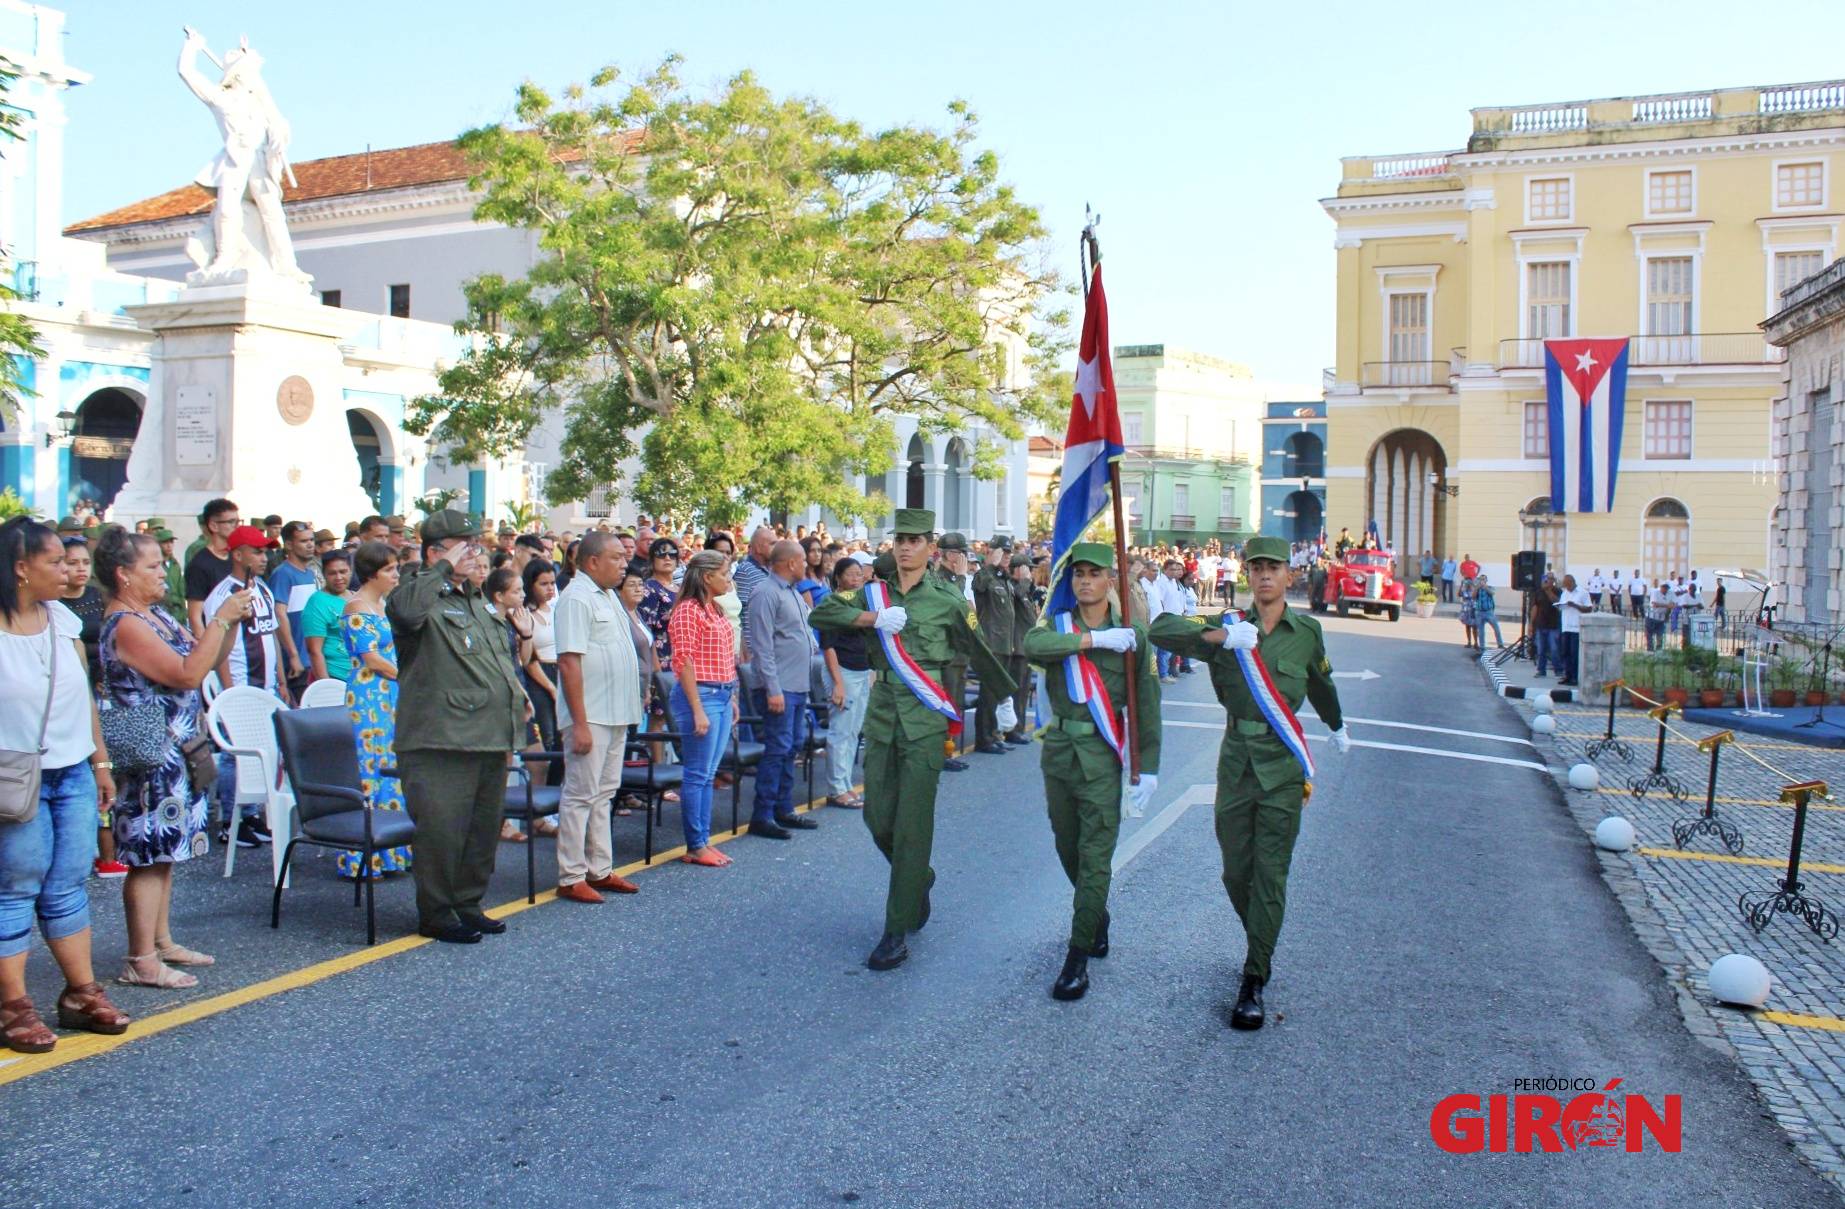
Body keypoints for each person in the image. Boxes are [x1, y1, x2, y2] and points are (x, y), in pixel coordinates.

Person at [1148, 535, 1350, 1030]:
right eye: (1256, 567)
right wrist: (1219, 640)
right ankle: (1261, 932)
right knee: (1237, 872)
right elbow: (1161, 630)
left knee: (1271, 871)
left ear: (1288, 576)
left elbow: (1321, 681)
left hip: (1282, 765)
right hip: (1236, 760)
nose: (1263, 575)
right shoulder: (1228, 625)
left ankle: (1254, 976)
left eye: (1273, 568)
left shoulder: (1306, 631)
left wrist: (1337, 723)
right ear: (1247, 575)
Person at [810, 508, 1016, 972]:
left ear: (931, 548)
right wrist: (870, 619)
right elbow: (821, 613)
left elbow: (977, 648)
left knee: (912, 823)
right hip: (882, 713)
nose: (905, 547)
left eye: (915, 540)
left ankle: (895, 929)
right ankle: (918, 877)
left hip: (924, 719)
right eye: (900, 539)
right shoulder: (872, 592)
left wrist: (1005, 698)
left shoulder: (947, 599)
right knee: (877, 816)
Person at [95, 527, 248, 990]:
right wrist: (220, 617)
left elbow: (206, 652)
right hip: (150, 753)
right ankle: (140, 959)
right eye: (153, 566)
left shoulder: (155, 614)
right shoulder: (126, 624)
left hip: (176, 750)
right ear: (123, 574)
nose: (164, 572)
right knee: (147, 853)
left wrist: (232, 620)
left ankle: (160, 941)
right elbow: (187, 674)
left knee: (165, 852)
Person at [0, 519, 130, 1053]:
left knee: (69, 882)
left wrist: (100, 764)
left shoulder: (64, 621)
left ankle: (80, 993)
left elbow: (82, 699)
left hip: (73, 771)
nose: (69, 569)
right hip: (14, 778)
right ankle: (13, 1006)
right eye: (55, 561)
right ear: (20, 569)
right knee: (16, 887)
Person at [1021, 543, 1162, 1001]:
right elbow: (1032, 646)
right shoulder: (1060, 628)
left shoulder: (1132, 636)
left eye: (1094, 573)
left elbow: (1147, 706)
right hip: (1059, 752)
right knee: (1068, 849)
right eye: (1078, 573)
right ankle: (1095, 914)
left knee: (1095, 855)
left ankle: (1076, 958)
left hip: (1102, 756)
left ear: (1109, 581)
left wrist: (1149, 769)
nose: (1084, 581)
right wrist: (1092, 640)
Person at [388, 511, 528, 945]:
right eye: (463, 545)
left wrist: (515, 700)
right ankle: (436, 911)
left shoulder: (476, 599)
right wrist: (442, 569)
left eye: (475, 543)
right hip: (441, 738)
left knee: (481, 830)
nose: (475, 551)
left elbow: (495, 658)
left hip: (487, 734)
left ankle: (467, 903)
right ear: (435, 551)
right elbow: (408, 614)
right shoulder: (415, 594)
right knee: (442, 831)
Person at [552, 531, 643, 902]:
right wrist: (580, 723)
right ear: (592, 562)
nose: (625, 564)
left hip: (615, 712)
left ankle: (599, 868)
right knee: (580, 795)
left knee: (604, 793)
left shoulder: (608, 596)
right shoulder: (576, 598)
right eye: (617, 557)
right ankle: (571, 874)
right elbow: (569, 662)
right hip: (591, 715)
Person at [204, 524, 297, 847]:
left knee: (269, 750)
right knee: (235, 755)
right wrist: (229, 692)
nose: (264, 557)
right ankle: (231, 820)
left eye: (266, 551)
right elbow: (217, 648)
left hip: (267, 686)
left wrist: (282, 680)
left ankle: (253, 814)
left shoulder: (263, 590)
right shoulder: (225, 595)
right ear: (238, 554)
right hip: (241, 685)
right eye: (257, 551)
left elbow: (270, 637)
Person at [336, 543, 411, 880]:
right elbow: (373, 659)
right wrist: (409, 676)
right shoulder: (357, 608)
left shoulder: (381, 606)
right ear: (371, 573)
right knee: (371, 765)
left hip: (391, 694)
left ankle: (391, 853)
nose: (396, 575)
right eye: (389, 570)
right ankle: (361, 856)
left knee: (391, 766)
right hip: (369, 695)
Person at [666, 549, 740, 868]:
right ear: (707, 576)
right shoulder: (688, 610)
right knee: (697, 773)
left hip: (720, 694)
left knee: (708, 774)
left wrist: (732, 696)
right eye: (724, 573)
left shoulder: (716, 609)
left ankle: (703, 841)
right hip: (701, 696)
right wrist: (697, 708)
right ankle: (696, 844)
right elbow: (682, 661)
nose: (729, 579)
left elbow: (726, 656)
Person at [744, 540, 822, 840]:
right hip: (779, 686)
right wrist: (772, 688)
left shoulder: (792, 593)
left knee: (791, 746)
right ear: (790, 563)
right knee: (777, 749)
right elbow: (761, 645)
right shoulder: (765, 593)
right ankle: (762, 815)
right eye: (803, 560)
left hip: (797, 684)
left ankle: (783, 807)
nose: (806, 565)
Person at [820, 556, 872, 808]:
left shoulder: (861, 604)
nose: (855, 579)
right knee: (840, 730)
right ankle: (836, 787)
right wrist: (837, 682)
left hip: (862, 670)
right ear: (838, 577)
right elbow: (828, 646)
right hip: (842, 670)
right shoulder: (833, 603)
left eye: (859, 574)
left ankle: (846, 782)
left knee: (853, 731)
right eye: (850, 574)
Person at [971, 538, 1020, 753]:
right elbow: (977, 585)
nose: (1008, 556)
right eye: (1004, 552)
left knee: (998, 693)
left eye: (1009, 552)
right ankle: (984, 738)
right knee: (989, 693)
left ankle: (994, 733)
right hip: (991, 643)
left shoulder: (1004, 580)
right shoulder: (985, 575)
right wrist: (990, 562)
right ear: (992, 552)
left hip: (1004, 642)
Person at [268, 521, 322, 699]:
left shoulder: (310, 573)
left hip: (312, 657)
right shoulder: (283, 573)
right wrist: (293, 655)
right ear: (289, 544)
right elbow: (279, 614)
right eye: (303, 541)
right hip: (297, 661)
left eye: (312, 540)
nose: (310, 545)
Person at [522, 559, 562, 785]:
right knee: (546, 736)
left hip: (560, 670)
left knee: (562, 738)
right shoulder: (524, 613)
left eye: (552, 583)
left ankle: (555, 795)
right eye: (543, 584)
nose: (549, 589)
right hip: (539, 675)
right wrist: (550, 686)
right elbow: (528, 659)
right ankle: (540, 797)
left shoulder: (556, 609)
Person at [183, 497, 239, 639]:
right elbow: (195, 616)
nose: (236, 526)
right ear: (214, 526)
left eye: (238, 522)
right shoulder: (199, 565)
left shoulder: (237, 556)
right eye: (231, 522)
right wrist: (206, 651)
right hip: (215, 640)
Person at [301, 550, 353, 683]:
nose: (338, 577)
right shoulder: (317, 602)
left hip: (360, 676)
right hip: (335, 677)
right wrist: (326, 687)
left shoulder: (356, 597)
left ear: (351, 571)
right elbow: (314, 651)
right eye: (332, 573)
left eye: (343, 571)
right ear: (324, 574)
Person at [1005, 551, 1041, 737]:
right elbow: (1017, 595)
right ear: (1018, 570)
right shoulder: (1011, 587)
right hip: (1016, 647)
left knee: (1023, 690)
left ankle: (1017, 728)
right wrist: (1024, 580)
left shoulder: (1024, 590)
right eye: (1028, 569)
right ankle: (1012, 729)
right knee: (1016, 691)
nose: (1031, 573)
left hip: (1025, 646)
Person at [1556, 573, 1589, 686]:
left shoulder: (1583, 592)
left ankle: (1575, 677)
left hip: (1576, 628)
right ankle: (1567, 675)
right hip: (1566, 626)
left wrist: (1575, 605)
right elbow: (1562, 607)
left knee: (1574, 653)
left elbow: (1589, 609)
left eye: (1567, 585)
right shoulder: (1565, 593)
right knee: (1565, 652)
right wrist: (1559, 606)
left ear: (1572, 582)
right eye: (1565, 586)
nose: (1566, 588)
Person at [1475, 573, 1505, 649]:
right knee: (1481, 631)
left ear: (1486, 580)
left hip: (1489, 612)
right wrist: (1476, 589)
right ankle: (1482, 646)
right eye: (1480, 579)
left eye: (1483, 579)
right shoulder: (1477, 589)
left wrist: (1485, 587)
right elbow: (1473, 596)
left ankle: (1500, 644)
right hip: (1479, 612)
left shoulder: (1490, 587)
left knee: (1496, 628)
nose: (1482, 581)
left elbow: (1492, 593)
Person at [1458, 576, 1478, 650]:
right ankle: (1469, 642)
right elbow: (1459, 594)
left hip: (1473, 609)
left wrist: (1474, 586)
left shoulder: (1474, 589)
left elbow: (1476, 596)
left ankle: (1476, 643)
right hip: (1466, 610)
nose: (1468, 583)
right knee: (1467, 627)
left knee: (1474, 627)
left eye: (1469, 582)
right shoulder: (1464, 590)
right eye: (1467, 582)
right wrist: (1461, 584)